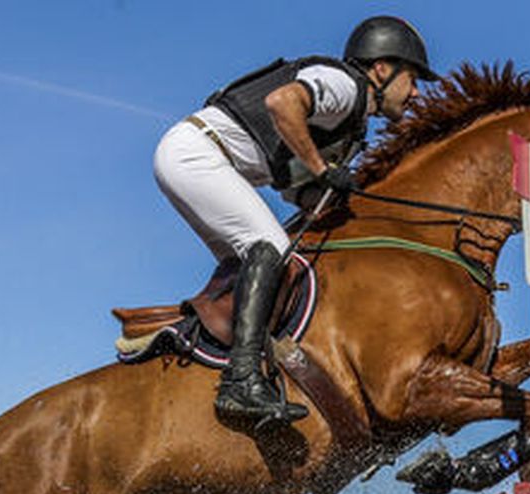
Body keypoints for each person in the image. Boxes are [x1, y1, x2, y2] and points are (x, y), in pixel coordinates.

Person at [154, 16, 439, 428]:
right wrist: (323, 169)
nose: (415, 92)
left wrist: (335, 191)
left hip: (199, 160)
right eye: (412, 79)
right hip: (197, 155)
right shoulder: (344, 86)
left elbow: (296, 189)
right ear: (381, 68)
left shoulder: (350, 125)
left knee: (261, 276)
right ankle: (241, 382)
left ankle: (227, 370)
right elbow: (282, 103)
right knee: (270, 247)